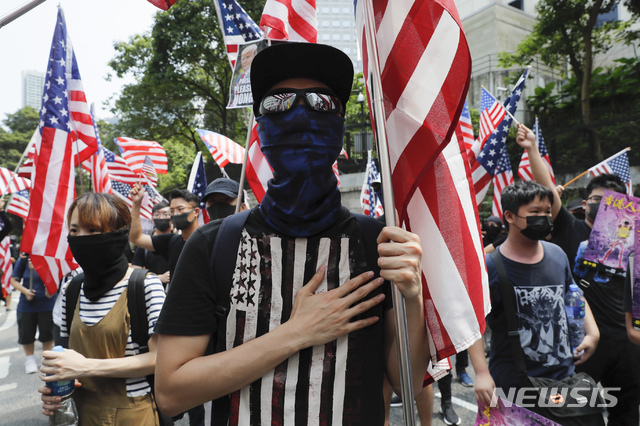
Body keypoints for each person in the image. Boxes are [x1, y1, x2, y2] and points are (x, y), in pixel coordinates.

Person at [154, 42, 430, 425]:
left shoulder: (378, 243)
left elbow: (407, 383)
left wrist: (413, 300)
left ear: (340, 126)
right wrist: (296, 333)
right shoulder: (213, 244)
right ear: (260, 129)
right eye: (278, 102)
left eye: (321, 102)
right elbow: (170, 393)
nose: (300, 113)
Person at [517, 123, 640, 425]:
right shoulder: (570, 230)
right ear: (585, 204)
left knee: (627, 413)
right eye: (598, 200)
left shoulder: (632, 243)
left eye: (613, 201)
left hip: (627, 345)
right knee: (578, 415)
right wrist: (532, 149)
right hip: (583, 343)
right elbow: (548, 189)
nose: (605, 206)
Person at [38, 193, 166, 424]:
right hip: (81, 413)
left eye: (93, 230)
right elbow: (66, 356)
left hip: (133, 413)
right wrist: (56, 392)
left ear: (118, 234)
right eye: (74, 230)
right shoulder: (72, 288)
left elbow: (160, 358)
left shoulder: (145, 285)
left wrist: (86, 367)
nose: (81, 239)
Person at [485, 181, 600, 399]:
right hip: (514, 385)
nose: (544, 217)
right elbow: (471, 323)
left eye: (547, 212)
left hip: (563, 378)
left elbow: (574, 294)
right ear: (510, 216)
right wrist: (481, 372)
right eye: (535, 212)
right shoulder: (491, 266)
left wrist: (593, 333)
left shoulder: (557, 254)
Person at [129, 186, 200, 288]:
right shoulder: (171, 241)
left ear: (196, 212)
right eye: (172, 211)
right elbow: (136, 238)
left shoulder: (209, 240)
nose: (176, 214)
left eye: (180, 209)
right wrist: (136, 203)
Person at [11, 254, 56, 374]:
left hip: (47, 304)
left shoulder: (51, 258)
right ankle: (29, 359)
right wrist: (26, 291)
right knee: (26, 333)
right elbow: (13, 280)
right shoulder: (24, 260)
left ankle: (46, 357)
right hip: (27, 305)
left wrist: (42, 269)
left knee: (47, 333)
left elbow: (57, 278)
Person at [132, 201, 172, 287]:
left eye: (166, 214)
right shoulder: (144, 244)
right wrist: (157, 278)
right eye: (157, 214)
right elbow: (134, 274)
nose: (161, 218)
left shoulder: (179, 241)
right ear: (152, 219)